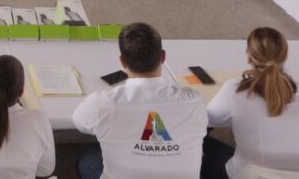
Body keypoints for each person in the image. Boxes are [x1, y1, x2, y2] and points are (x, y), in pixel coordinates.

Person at [73, 22, 207, 178]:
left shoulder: (103, 104)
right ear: (163, 57)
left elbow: (80, 123)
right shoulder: (194, 101)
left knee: (88, 155)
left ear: (122, 61)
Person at [202, 27, 299, 178]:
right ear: (285, 55)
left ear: (249, 56)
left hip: (251, 176)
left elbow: (208, 118)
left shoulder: (235, 89)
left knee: (200, 145)